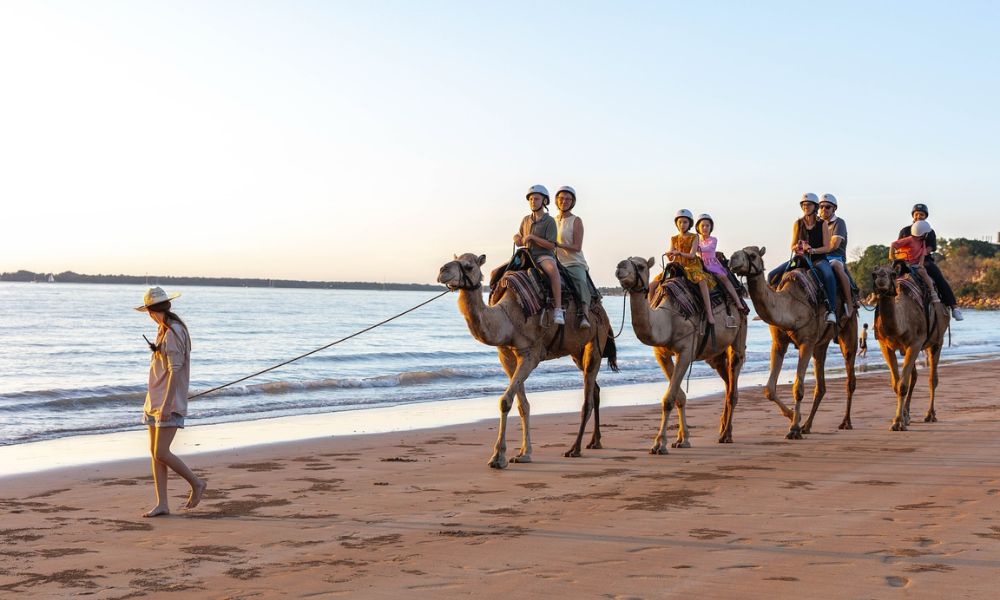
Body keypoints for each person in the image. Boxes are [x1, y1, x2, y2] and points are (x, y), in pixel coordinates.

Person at [136, 286, 206, 517]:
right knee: (155, 453)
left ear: (150, 310)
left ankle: (196, 483)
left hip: (167, 402)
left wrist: (167, 405)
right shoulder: (163, 329)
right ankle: (162, 504)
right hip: (154, 400)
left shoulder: (174, 331)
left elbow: (175, 371)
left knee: (162, 452)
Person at [767, 193, 838, 324]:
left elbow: (827, 247)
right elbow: (792, 245)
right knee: (772, 275)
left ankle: (831, 310)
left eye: (809, 204)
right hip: (800, 259)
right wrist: (798, 247)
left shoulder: (822, 224)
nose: (806, 207)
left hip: (818, 259)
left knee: (828, 275)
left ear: (815, 207)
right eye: (804, 205)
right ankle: (771, 308)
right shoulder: (797, 223)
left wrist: (812, 249)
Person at [897, 203, 964, 321]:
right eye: (917, 214)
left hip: (924, 260)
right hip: (905, 260)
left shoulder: (930, 232)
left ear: (925, 216)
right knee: (887, 276)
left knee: (939, 278)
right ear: (913, 215)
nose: (919, 216)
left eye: (921, 214)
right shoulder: (905, 231)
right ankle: (880, 311)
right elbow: (899, 246)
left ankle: (954, 308)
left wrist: (919, 258)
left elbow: (930, 248)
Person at [514, 184, 564, 325]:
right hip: (526, 255)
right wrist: (516, 238)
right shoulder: (525, 219)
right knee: (499, 272)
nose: (532, 201)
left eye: (536, 199)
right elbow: (519, 238)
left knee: (553, 270)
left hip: (543, 256)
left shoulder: (550, 221)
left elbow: (551, 245)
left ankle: (558, 309)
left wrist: (532, 238)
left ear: (544, 201)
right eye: (530, 199)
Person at [667, 209, 715, 326]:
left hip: (692, 266)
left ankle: (709, 313)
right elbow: (671, 258)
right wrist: (670, 254)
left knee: (702, 281)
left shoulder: (694, 237)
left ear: (689, 224)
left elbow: (692, 255)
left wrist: (679, 253)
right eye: (680, 222)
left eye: (685, 222)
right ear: (676, 224)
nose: (682, 225)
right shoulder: (673, 238)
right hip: (678, 266)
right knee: (655, 282)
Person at [695, 213, 749, 314]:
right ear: (698, 227)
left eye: (707, 225)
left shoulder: (713, 240)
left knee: (724, 278)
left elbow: (708, 248)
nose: (705, 228)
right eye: (702, 225)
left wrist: (695, 248)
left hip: (711, 264)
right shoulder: (696, 240)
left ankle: (738, 302)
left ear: (711, 227)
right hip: (699, 264)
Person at [554, 185, 592, 328]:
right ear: (557, 200)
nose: (564, 201)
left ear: (572, 202)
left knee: (580, 281)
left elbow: (577, 247)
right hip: (555, 261)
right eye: (562, 198)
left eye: (568, 199)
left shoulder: (576, 220)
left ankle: (585, 315)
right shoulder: (551, 220)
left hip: (573, 262)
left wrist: (557, 244)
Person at [811, 194, 855, 318]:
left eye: (827, 207)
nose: (824, 209)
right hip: (818, 257)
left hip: (835, 257)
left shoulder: (839, 223)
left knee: (836, 265)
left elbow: (834, 245)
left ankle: (849, 303)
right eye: (821, 207)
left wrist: (814, 250)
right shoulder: (815, 224)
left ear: (834, 208)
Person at [890, 220, 940, 304]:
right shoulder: (909, 239)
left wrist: (920, 265)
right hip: (902, 263)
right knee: (891, 274)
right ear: (924, 233)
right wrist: (892, 256)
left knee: (923, 272)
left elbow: (923, 254)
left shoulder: (922, 242)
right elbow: (893, 244)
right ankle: (880, 294)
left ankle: (933, 292)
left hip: (914, 265)